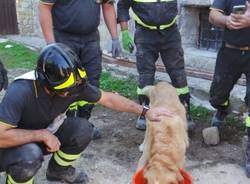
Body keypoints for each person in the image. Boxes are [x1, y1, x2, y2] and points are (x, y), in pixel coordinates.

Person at [0, 43, 172, 184]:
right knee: (29, 157)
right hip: (13, 146)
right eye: (64, 92)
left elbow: (109, 99)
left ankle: (58, 172)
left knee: (83, 129)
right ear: (46, 84)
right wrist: (41, 135)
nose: (70, 94)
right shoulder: (21, 91)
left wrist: (145, 111)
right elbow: (1, 137)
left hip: (45, 134)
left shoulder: (75, 85)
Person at [39, 0, 122, 139]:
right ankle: (66, 123)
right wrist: (51, 46)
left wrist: (115, 38)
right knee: (65, 82)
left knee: (92, 81)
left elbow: (108, 6)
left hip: (91, 39)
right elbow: (44, 7)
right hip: (64, 38)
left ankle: (84, 122)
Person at [117, 0, 195, 131]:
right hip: (144, 34)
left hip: (170, 33)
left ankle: (185, 111)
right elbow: (122, 6)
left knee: (178, 74)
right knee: (145, 74)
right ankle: (144, 111)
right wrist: (125, 32)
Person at [209, 0, 250, 177]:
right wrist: (227, 21)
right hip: (229, 51)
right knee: (216, 96)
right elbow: (213, 15)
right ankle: (223, 108)